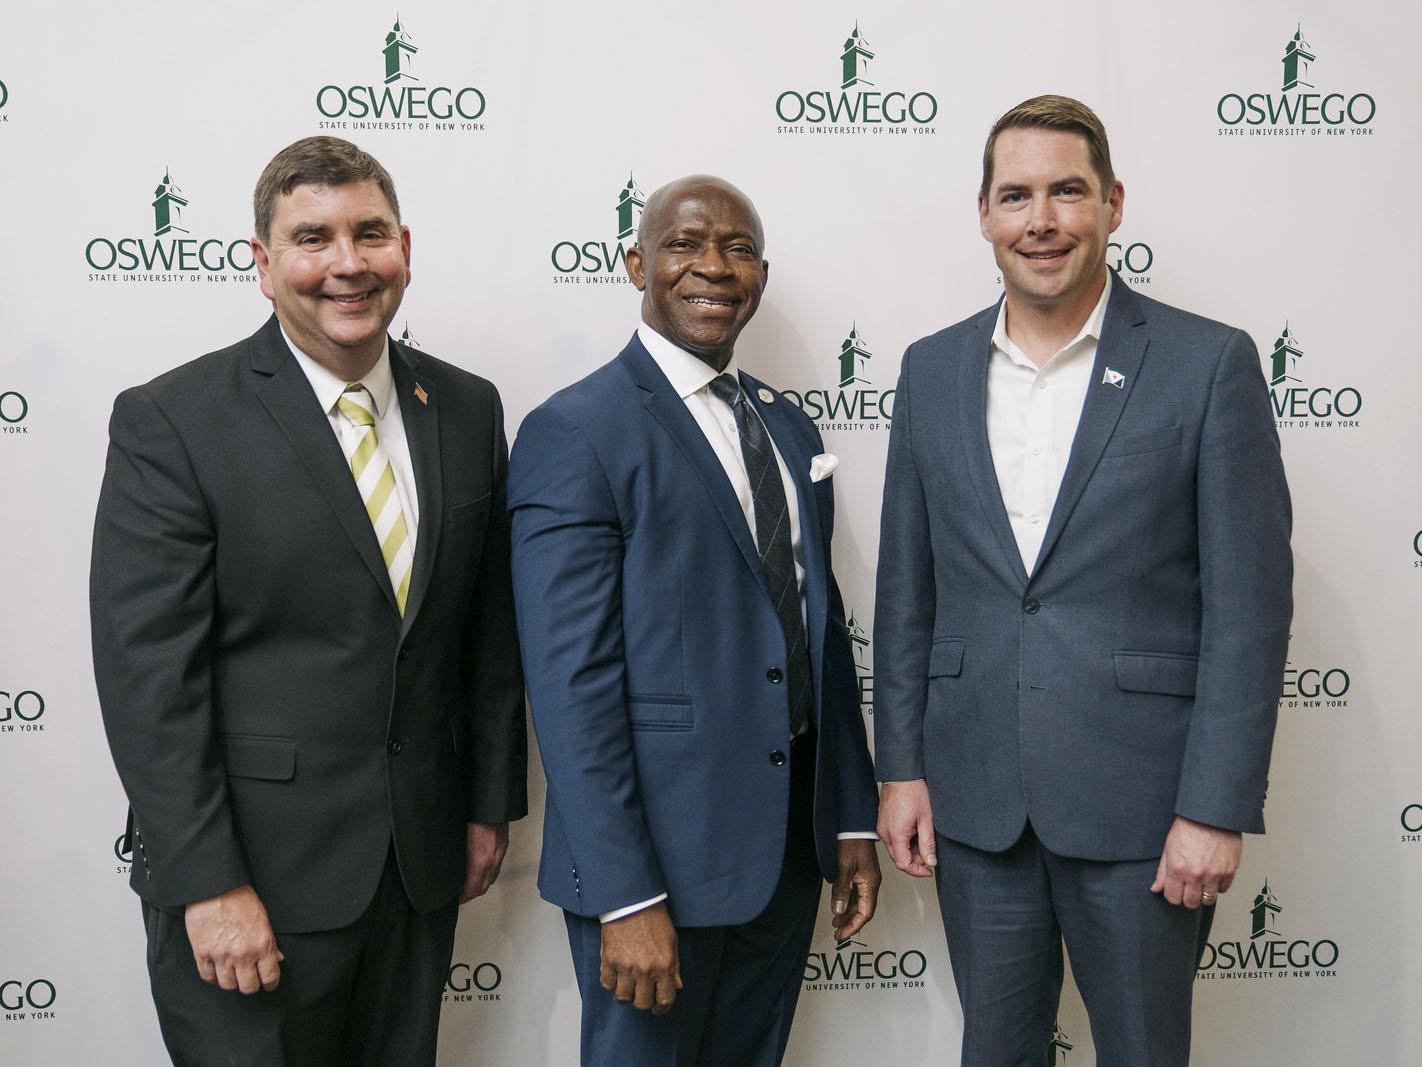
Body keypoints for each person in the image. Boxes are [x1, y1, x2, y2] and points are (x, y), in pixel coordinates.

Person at [89, 135, 526, 1067]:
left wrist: (487, 802)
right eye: (312, 238)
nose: (347, 264)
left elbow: (484, 634)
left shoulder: (467, 406)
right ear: (262, 263)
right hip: (252, 888)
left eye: (370, 234)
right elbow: (148, 681)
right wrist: (208, 884)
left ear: (404, 245)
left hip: (415, 873)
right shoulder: (173, 420)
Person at [873, 95, 1292, 1066]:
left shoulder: (1207, 364)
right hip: (978, 807)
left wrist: (1214, 805)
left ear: (1112, 202)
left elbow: (1249, 609)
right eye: (1015, 195)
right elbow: (907, 591)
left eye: (1067, 191)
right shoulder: (930, 369)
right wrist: (901, 766)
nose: (1042, 219)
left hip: (1145, 813)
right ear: (983, 214)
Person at [509, 174, 881, 1066]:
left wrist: (852, 816)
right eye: (685, 244)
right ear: (638, 261)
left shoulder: (788, 429)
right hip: (655, 877)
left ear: (759, 272)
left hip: (786, 856)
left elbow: (817, 632)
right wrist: (625, 892)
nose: (713, 266)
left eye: (739, 248)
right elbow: (570, 690)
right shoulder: (577, 430)